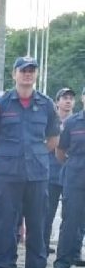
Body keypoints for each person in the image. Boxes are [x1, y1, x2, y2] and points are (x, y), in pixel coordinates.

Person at [0, 56, 59, 268]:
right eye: (23, 70)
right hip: (6, 175)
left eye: (32, 71)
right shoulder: (0, 104)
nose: (27, 75)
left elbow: (53, 139)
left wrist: (35, 155)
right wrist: (6, 158)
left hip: (36, 174)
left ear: (36, 75)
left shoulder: (46, 104)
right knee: (2, 224)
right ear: (14, 74)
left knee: (38, 224)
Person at [52, 86, 85, 268]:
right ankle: (62, 262)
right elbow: (60, 151)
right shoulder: (73, 122)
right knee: (70, 221)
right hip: (75, 177)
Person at [45, 87, 76, 254]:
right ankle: (42, 244)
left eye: (71, 98)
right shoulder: (50, 120)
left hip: (72, 174)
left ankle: (72, 250)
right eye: (64, 97)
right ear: (57, 101)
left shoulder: (78, 121)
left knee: (71, 214)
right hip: (51, 172)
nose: (68, 101)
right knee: (47, 212)